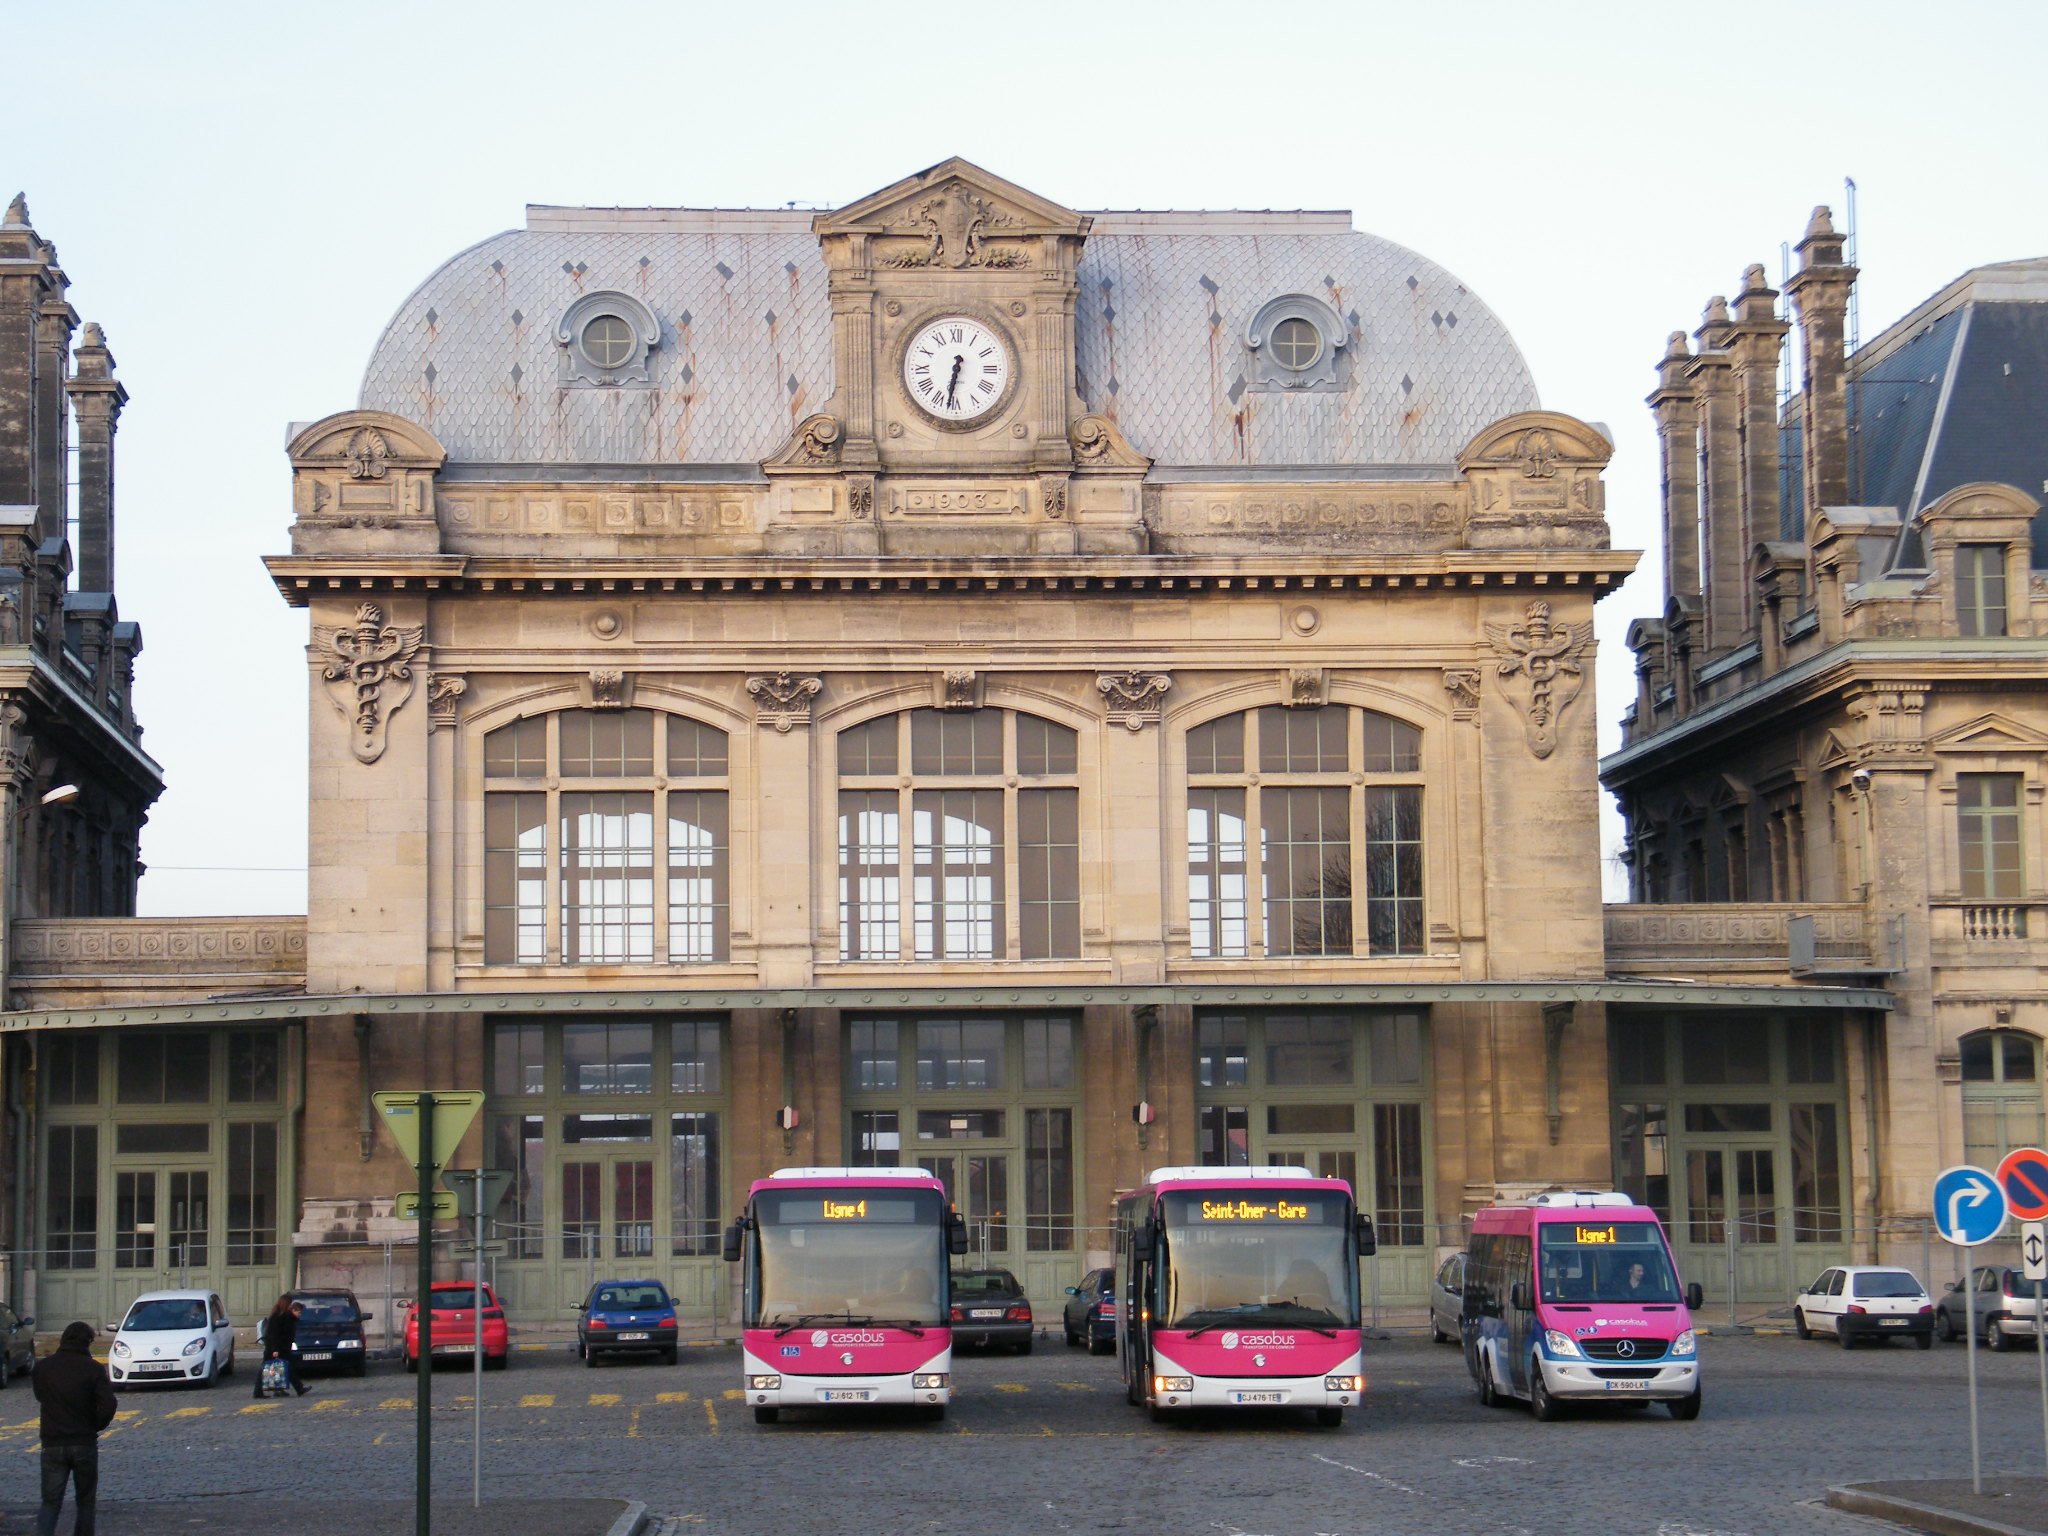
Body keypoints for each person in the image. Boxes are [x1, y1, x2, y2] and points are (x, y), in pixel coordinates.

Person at [32, 1320, 116, 1536]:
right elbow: (109, 1404)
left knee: (50, 1502)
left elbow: (40, 1396)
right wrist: (95, 1425)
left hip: (52, 1442)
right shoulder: (93, 1369)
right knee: (85, 1501)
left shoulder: (43, 1367)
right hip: (83, 1441)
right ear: (87, 1342)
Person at [258, 1294, 310, 1397]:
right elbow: (274, 1335)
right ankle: (259, 1392)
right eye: (290, 1304)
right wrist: (275, 1349)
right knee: (267, 1370)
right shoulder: (277, 1317)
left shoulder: (282, 1315)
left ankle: (297, 1388)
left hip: (282, 1347)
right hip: (276, 1348)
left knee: (285, 1368)